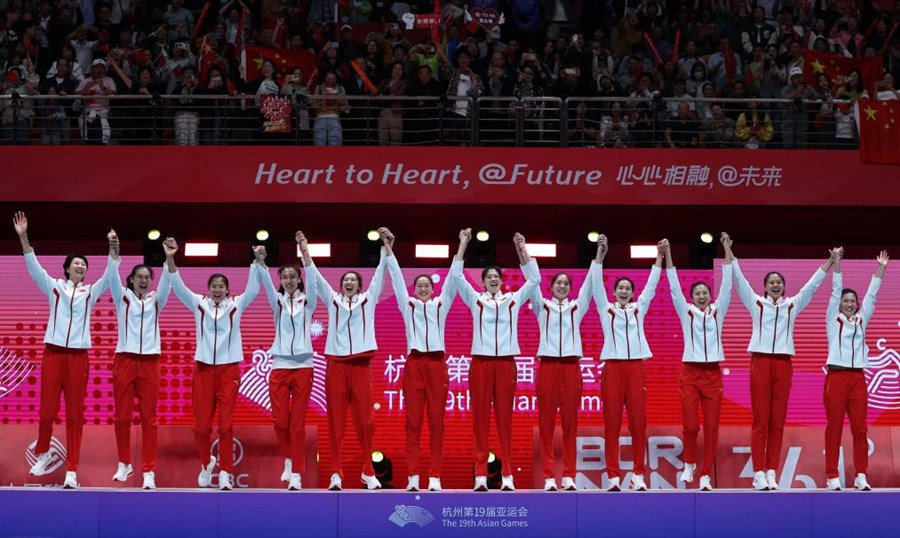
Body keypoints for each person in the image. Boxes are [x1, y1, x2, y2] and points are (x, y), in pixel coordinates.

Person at [14, 212, 113, 489]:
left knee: (74, 415)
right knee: (47, 411)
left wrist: (112, 250)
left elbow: (109, 275)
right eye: (76, 264)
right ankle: (43, 452)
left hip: (78, 357)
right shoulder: (54, 288)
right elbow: (34, 268)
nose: (81, 267)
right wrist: (23, 237)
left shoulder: (91, 292)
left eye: (84, 264)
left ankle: (72, 470)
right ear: (67, 268)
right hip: (53, 354)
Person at [732, 243, 838, 490]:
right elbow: (739, 281)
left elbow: (811, 286)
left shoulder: (792, 305)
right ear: (765, 286)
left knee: (777, 422)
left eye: (779, 282)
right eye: (772, 282)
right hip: (759, 362)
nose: (776, 285)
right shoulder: (756, 303)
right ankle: (758, 471)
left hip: (783, 364)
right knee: (761, 420)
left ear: (784, 286)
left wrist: (830, 263)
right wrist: (729, 252)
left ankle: (771, 471)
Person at [164, 238, 262, 490]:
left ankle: (226, 472)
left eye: (222, 286)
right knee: (201, 426)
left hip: (229, 371)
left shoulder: (236, 305)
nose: (218, 289)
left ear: (228, 290)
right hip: (204, 370)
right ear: (208, 289)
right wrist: (171, 257)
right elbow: (177, 284)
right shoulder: (198, 304)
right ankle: (206, 463)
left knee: (226, 426)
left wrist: (257, 263)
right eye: (214, 285)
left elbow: (253, 289)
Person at [454, 233, 540, 492]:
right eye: (488, 277)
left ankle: (508, 475)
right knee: (480, 421)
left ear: (502, 281)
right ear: (482, 282)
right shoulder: (475, 300)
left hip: (505, 364)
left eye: (496, 277)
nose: (493, 279)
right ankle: (480, 475)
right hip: (480, 363)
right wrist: (463, 244)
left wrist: (521, 249)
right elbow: (457, 277)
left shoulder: (512, 299)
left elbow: (535, 279)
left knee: (505, 421)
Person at [383, 228, 465, 492]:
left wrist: (462, 244)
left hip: (437, 366)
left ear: (433, 289)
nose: (422, 289)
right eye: (418, 286)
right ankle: (413, 476)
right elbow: (395, 278)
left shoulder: (442, 304)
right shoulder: (407, 305)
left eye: (426, 286)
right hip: (415, 365)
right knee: (413, 423)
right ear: (414, 289)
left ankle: (435, 477)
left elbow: (454, 278)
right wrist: (389, 248)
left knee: (437, 424)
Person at [315, 232, 390, 491]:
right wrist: (304, 252)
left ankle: (367, 471)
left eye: (353, 280)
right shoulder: (332, 300)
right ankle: (336, 473)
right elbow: (316, 278)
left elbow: (380, 275)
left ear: (359, 285)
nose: (349, 282)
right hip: (336, 365)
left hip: (361, 365)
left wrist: (385, 248)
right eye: (345, 279)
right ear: (341, 285)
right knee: (336, 422)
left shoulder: (369, 300)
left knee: (366, 422)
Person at [531, 234, 605, 491]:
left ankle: (570, 476)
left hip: (572, 368)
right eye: (558, 283)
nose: (562, 286)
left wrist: (600, 254)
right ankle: (550, 476)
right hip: (548, 368)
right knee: (547, 424)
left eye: (565, 283)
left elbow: (590, 284)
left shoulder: (577, 307)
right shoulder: (541, 307)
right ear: (550, 288)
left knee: (571, 425)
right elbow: (532, 281)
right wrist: (522, 251)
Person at [591, 238, 666, 491]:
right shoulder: (606, 309)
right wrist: (600, 253)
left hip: (635, 369)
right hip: (612, 369)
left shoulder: (638, 308)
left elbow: (652, 286)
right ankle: (613, 476)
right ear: (614, 293)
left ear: (632, 293)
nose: (623, 291)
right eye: (620, 288)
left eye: (627, 288)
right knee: (611, 423)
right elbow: (595, 285)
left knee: (637, 424)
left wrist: (659, 257)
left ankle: (638, 475)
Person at [664, 233, 734, 491]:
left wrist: (726, 249)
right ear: (692, 296)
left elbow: (727, 284)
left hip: (712, 374)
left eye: (705, 292)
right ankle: (689, 463)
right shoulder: (686, 312)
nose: (702, 295)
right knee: (691, 425)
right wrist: (668, 256)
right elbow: (673, 286)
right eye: (698, 292)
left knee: (712, 426)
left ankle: (705, 474)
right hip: (690, 373)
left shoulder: (718, 311)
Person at [105, 230, 172, 490]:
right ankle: (124, 463)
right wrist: (113, 250)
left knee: (149, 419)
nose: (143, 280)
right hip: (124, 359)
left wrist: (168, 259)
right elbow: (111, 275)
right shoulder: (122, 297)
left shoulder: (157, 300)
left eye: (147, 277)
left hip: (150, 363)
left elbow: (167, 281)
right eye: (139, 277)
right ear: (131, 280)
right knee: (121, 417)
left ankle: (149, 471)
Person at [255, 232, 320, 491]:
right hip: (280, 366)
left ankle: (297, 473)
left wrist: (305, 252)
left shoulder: (308, 301)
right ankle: (290, 459)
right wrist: (260, 261)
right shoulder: (277, 301)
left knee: (298, 424)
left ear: (298, 280)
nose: (289, 280)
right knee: (280, 421)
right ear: (280, 281)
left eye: (293, 277)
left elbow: (313, 280)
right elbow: (264, 282)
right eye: (285, 277)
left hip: (304, 367)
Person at [824, 249, 888, 491]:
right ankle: (832, 475)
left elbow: (872, 296)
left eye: (853, 301)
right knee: (834, 428)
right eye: (845, 301)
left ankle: (861, 474)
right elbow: (834, 290)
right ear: (839, 304)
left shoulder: (862, 319)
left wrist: (880, 268)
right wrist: (836, 263)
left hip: (858, 379)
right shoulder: (833, 318)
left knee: (860, 429)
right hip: (836, 378)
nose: (849, 304)